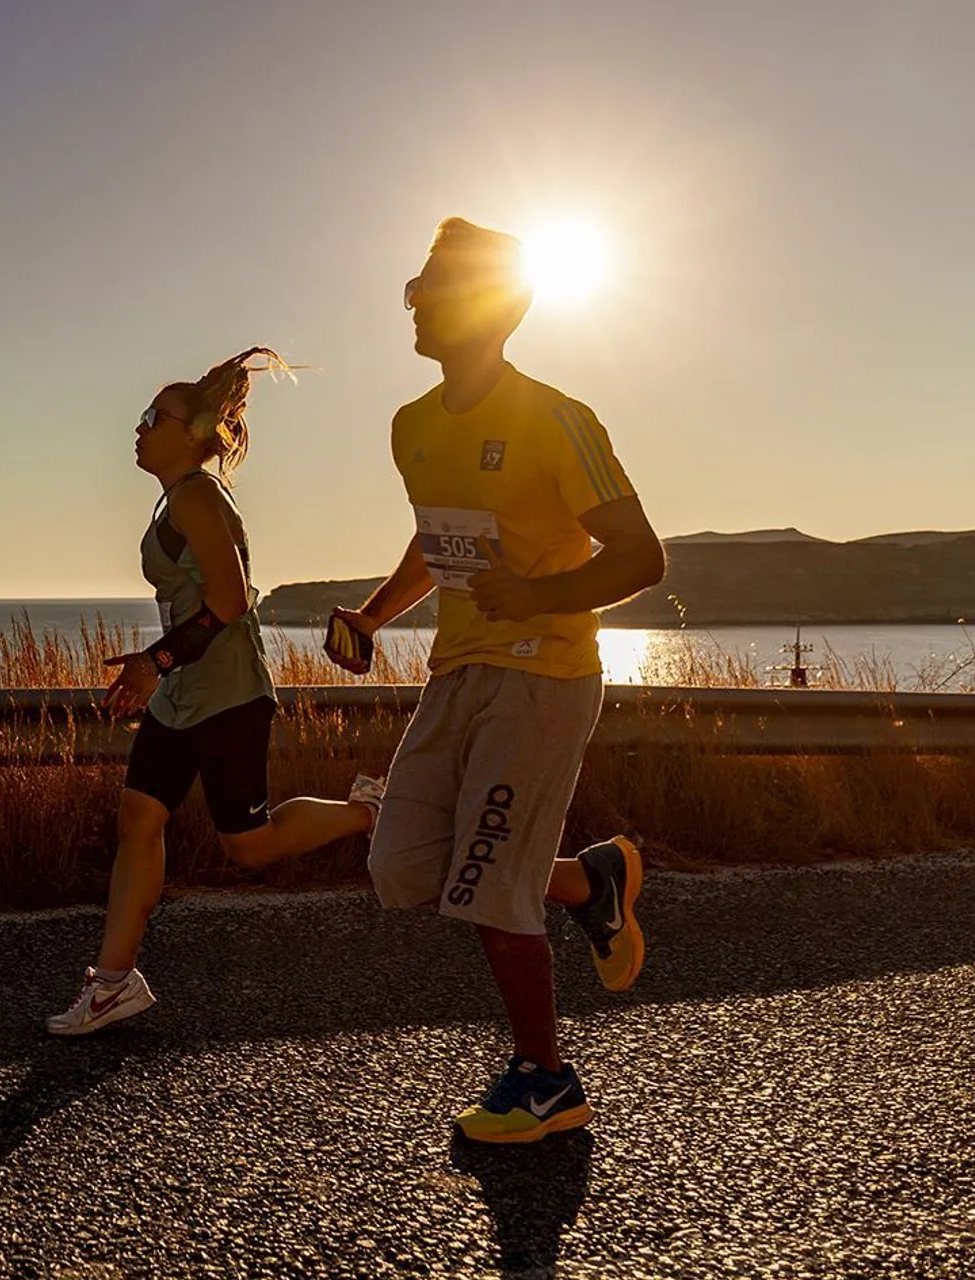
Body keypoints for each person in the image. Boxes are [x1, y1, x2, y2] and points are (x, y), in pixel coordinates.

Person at [327, 218, 665, 1143]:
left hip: (545, 675)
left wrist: (541, 592)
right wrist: (370, 615)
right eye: (414, 284)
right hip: (457, 671)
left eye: (433, 286)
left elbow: (642, 556)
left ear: (491, 306)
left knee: (484, 882)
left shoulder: (558, 418)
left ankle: (548, 1081)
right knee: (402, 863)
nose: (414, 301)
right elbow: (438, 541)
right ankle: (588, 884)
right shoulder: (413, 426)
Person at [47, 348, 385, 1036]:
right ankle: (113, 985)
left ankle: (366, 812)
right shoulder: (176, 497)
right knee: (139, 820)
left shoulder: (198, 494)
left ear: (194, 434)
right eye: (142, 415)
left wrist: (155, 662)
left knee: (249, 846)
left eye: (154, 417)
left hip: (226, 693)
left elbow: (230, 603)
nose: (138, 427)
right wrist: (158, 674)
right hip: (183, 695)